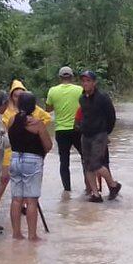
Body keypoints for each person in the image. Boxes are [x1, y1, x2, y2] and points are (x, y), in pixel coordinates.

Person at [0, 79, 52, 208]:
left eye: (20, 96)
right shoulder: (8, 113)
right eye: (15, 96)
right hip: (15, 151)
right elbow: (48, 146)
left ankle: (21, 208)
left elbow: (47, 118)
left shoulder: (16, 118)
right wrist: (37, 128)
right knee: (5, 180)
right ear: (11, 97)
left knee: (17, 196)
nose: (17, 99)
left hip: (18, 155)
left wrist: (38, 129)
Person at [7, 91, 53, 240]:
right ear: (33, 107)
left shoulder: (12, 120)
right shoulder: (37, 124)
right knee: (32, 200)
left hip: (14, 159)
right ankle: (32, 236)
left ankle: (16, 234)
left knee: (16, 199)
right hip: (32, 161)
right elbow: (48, 145)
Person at [78, 70, 122, 203]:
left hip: (99, 134)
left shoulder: (102, 98)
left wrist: (106, 132)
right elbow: (83, 116)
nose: (85, 83)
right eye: (84, 81)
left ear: (94, 82)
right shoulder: (82, 98)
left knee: (96, 164)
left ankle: (113, 185)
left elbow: (111, 116)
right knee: (87, 164)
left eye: (88, 81)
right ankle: (96, 194)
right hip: (86, 135)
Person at [45, 66, 85, 194]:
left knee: (64, 161)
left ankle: (67, 190)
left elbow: (48, 109)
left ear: (60, 77)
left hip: (61, 130)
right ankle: (89, 187)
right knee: (85, 158)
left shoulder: (52, 91)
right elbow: (86, 106)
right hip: (77, 128)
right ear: (72, 77)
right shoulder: (79, 90)